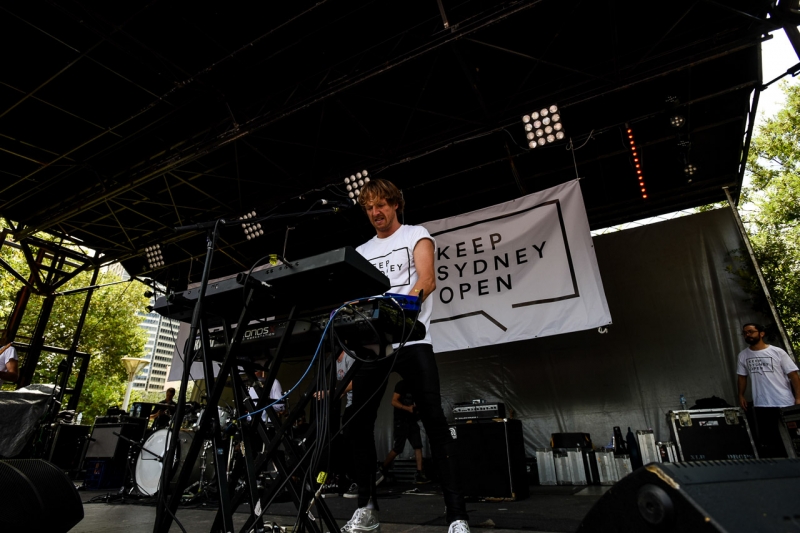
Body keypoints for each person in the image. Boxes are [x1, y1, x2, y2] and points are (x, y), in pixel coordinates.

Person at [342, 179, 469, 533]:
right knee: (356, 423)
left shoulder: (416, 234)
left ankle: (457, 515)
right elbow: (356, 302)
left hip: (412, 341)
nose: (375, 213)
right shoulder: (363, 251)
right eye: (369, 208)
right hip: (374, 347)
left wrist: (399, 315)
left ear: (395, 204)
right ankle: (367, 508)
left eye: (381, 205)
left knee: (435, 423)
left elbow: (427, 279)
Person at [737, 323, 800, 457]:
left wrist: (799, 397)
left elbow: (793, 375)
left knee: (793, 435)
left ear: (761, 333)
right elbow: (742, 377)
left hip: (784, 401)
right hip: (762, 403)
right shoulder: (743, 355)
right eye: (745, 333)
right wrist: (741, 395)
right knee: (770, 438)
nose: (747, 335)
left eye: (751, 332)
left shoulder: (777, 352)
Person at [381, 380, 430, 484]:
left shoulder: (417, 386)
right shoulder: (401, 384)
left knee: (418, 446)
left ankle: (420, 473)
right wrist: (407, 408)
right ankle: (382, 468)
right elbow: (394, 401)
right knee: (398, 448)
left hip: (411, 421)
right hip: (401, 421)